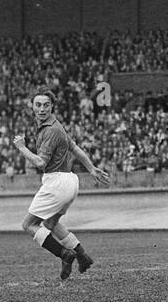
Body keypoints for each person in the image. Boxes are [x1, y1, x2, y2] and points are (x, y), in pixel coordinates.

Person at [13, 91, 111, 280]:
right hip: (70, 182)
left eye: (46, 105)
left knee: (28, 224)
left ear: (52, 106)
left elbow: (41, 163)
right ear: (32, 106)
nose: (42, 109)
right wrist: (90, 169)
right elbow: (73, 147)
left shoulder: (50, 130)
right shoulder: (55, 125)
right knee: (51, 223)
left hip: (57, 182)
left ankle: (64, 254)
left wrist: (22, 147)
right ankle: (82, 255)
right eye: (38, 105)